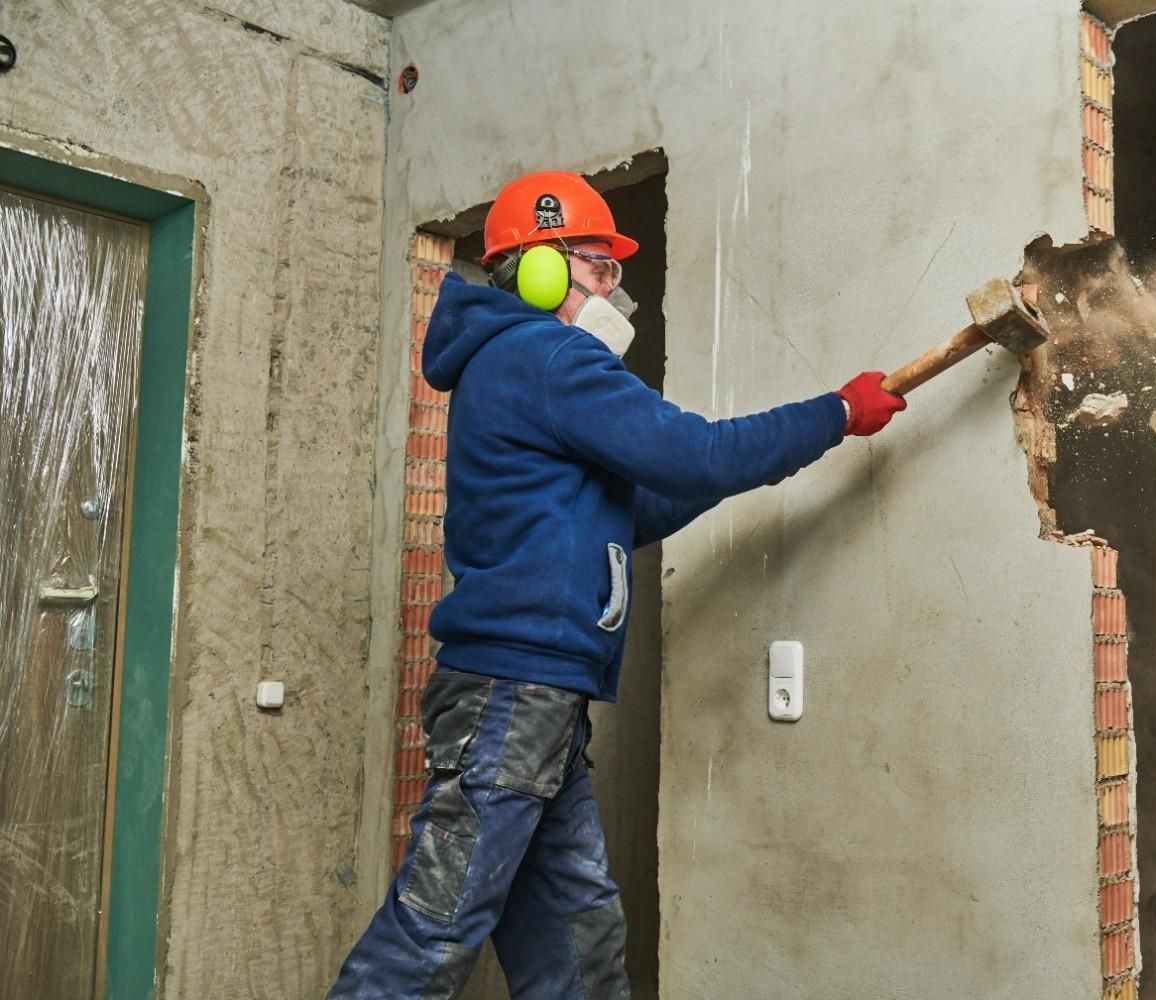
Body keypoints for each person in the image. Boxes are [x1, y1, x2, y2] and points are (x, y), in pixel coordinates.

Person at [328, 171, 905, 999]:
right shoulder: (547, 356)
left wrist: (731, 464)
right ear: (539, 269)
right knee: (435, 928)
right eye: (600, 269)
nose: (614, 291)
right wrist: (835, 415)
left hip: (540, 698)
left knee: (578, 936)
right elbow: (698, 454)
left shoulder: (514, 369)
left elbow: (639, 507)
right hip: (512, 692)